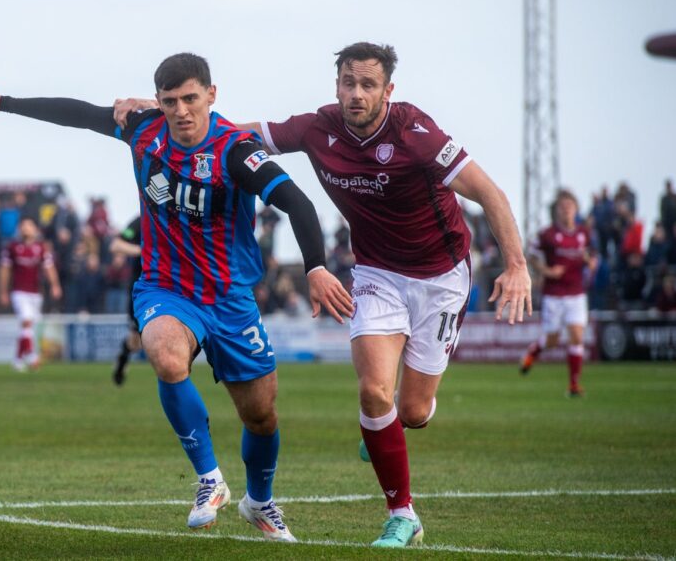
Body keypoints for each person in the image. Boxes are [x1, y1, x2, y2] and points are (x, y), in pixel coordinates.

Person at [114, 41, 531, 549]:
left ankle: (388, 429)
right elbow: (231, 134)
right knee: (373, 392)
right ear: (337, 86)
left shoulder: (416, 134)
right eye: (348, 84)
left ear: (387, 91)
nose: (356, 94)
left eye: (368, 85)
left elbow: (490, 193)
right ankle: (402, 515)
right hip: (375, 273)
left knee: (414, 411)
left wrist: (516, 265)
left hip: (441, 276)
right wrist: (164, 108)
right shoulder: (316, 127)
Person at [0, 52, 352, 541]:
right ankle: (209, 480)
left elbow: (296, 202)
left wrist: (315, 267)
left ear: (211, 95)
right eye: (170, 101)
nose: (181, 110)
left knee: (261, 415)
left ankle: (261, 502)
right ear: (158, 102)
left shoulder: (235, 150)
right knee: (163, 353)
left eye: (190, 98)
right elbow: (79, 114)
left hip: (230, 296)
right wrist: (6, 103)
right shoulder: (143, 129)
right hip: (166, 286)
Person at [520, 190, 597, 396]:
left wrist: (591, 262)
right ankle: (534, 351)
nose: (566, 211)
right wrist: (547, 271)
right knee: (552, 340)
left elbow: (592, 255)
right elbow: (532, 256)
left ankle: (574, 385)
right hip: (553, 294)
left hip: (576, 293)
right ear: (556, 211)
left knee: (577, 336)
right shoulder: (547, 234)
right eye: (562, 207)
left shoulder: (584, 233)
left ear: (576, 210)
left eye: (569, 207)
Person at [0, 216, 62, 371]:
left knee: (27, 328)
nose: (26, 228)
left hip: (35, 293)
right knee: (26, 321)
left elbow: (49, 268)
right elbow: (5, 270)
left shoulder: (41, 248)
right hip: (19, 292)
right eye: (23, 225)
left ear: (35, 229)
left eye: (29, 225)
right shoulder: (12, 247)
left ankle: (18, 360)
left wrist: (55, 285)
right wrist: (3, 291)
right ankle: (33, 356)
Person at [110, 216, 143, 386]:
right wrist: (143, 250)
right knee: (137, 341)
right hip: (142, 287)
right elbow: (116, 245)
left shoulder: (179, 219)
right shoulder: (141, 221)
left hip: (172, 287)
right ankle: (123, 357)